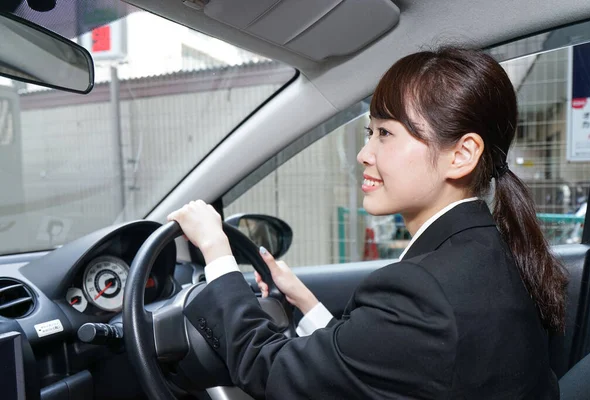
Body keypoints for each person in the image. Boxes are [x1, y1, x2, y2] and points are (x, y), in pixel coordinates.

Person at [168, 47, 567, 399]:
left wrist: (217, 254)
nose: (364, 153)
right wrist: (304, 302)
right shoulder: (496, 254)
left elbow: (271, 370)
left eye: (385, 133)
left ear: (461, 155)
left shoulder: (424, 292)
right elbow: (388, 360)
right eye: (369, 132)